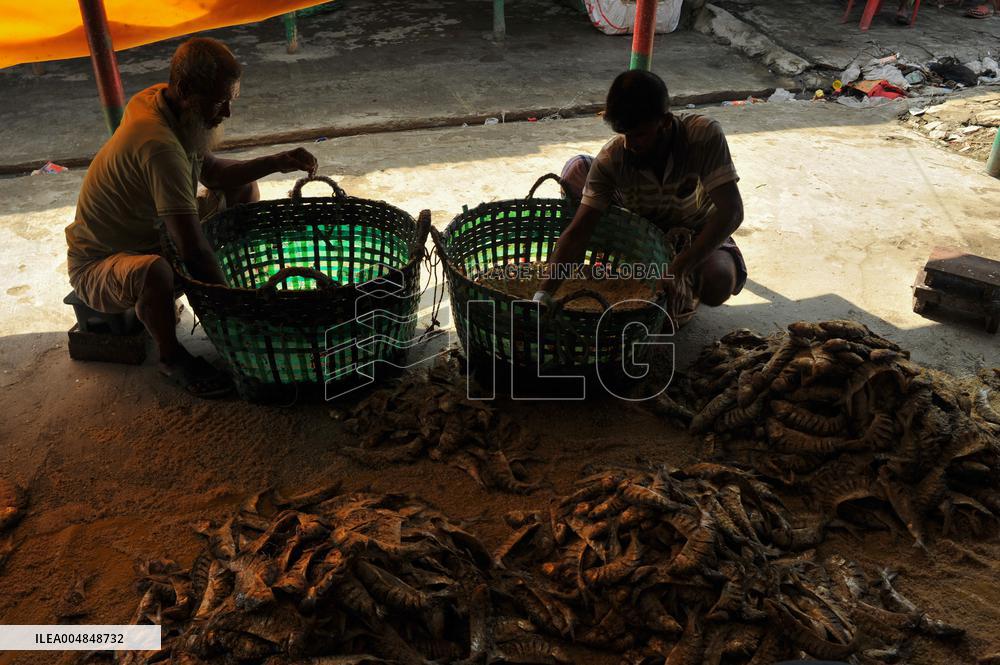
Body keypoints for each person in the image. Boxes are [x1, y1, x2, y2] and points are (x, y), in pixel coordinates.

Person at [65, 37, 318, 398]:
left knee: (244, 189)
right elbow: (192, 249)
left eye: (230, 101)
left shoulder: (161, 100)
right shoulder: (158, 145)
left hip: (151, 233)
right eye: (219, 102)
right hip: (99, 263)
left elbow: (211, 174)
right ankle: (171, 358)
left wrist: (276, 162)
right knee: (156, 271)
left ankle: (229, 286)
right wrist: (239, 312)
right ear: (185, 90)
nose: (226, 113)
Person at [534, 70, 746, 326]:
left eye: (640, 134)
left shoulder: (703, 135)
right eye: (625, 134)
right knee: (577, 169)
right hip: (641, 235)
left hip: (696, 231)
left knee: (718, 283)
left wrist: (679, 268)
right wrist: (542, 295)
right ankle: (660, 272)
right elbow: (578, 232)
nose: (630, 144)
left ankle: (686, 277)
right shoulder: (613, 158)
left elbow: (731, 211)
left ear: (665, 122)